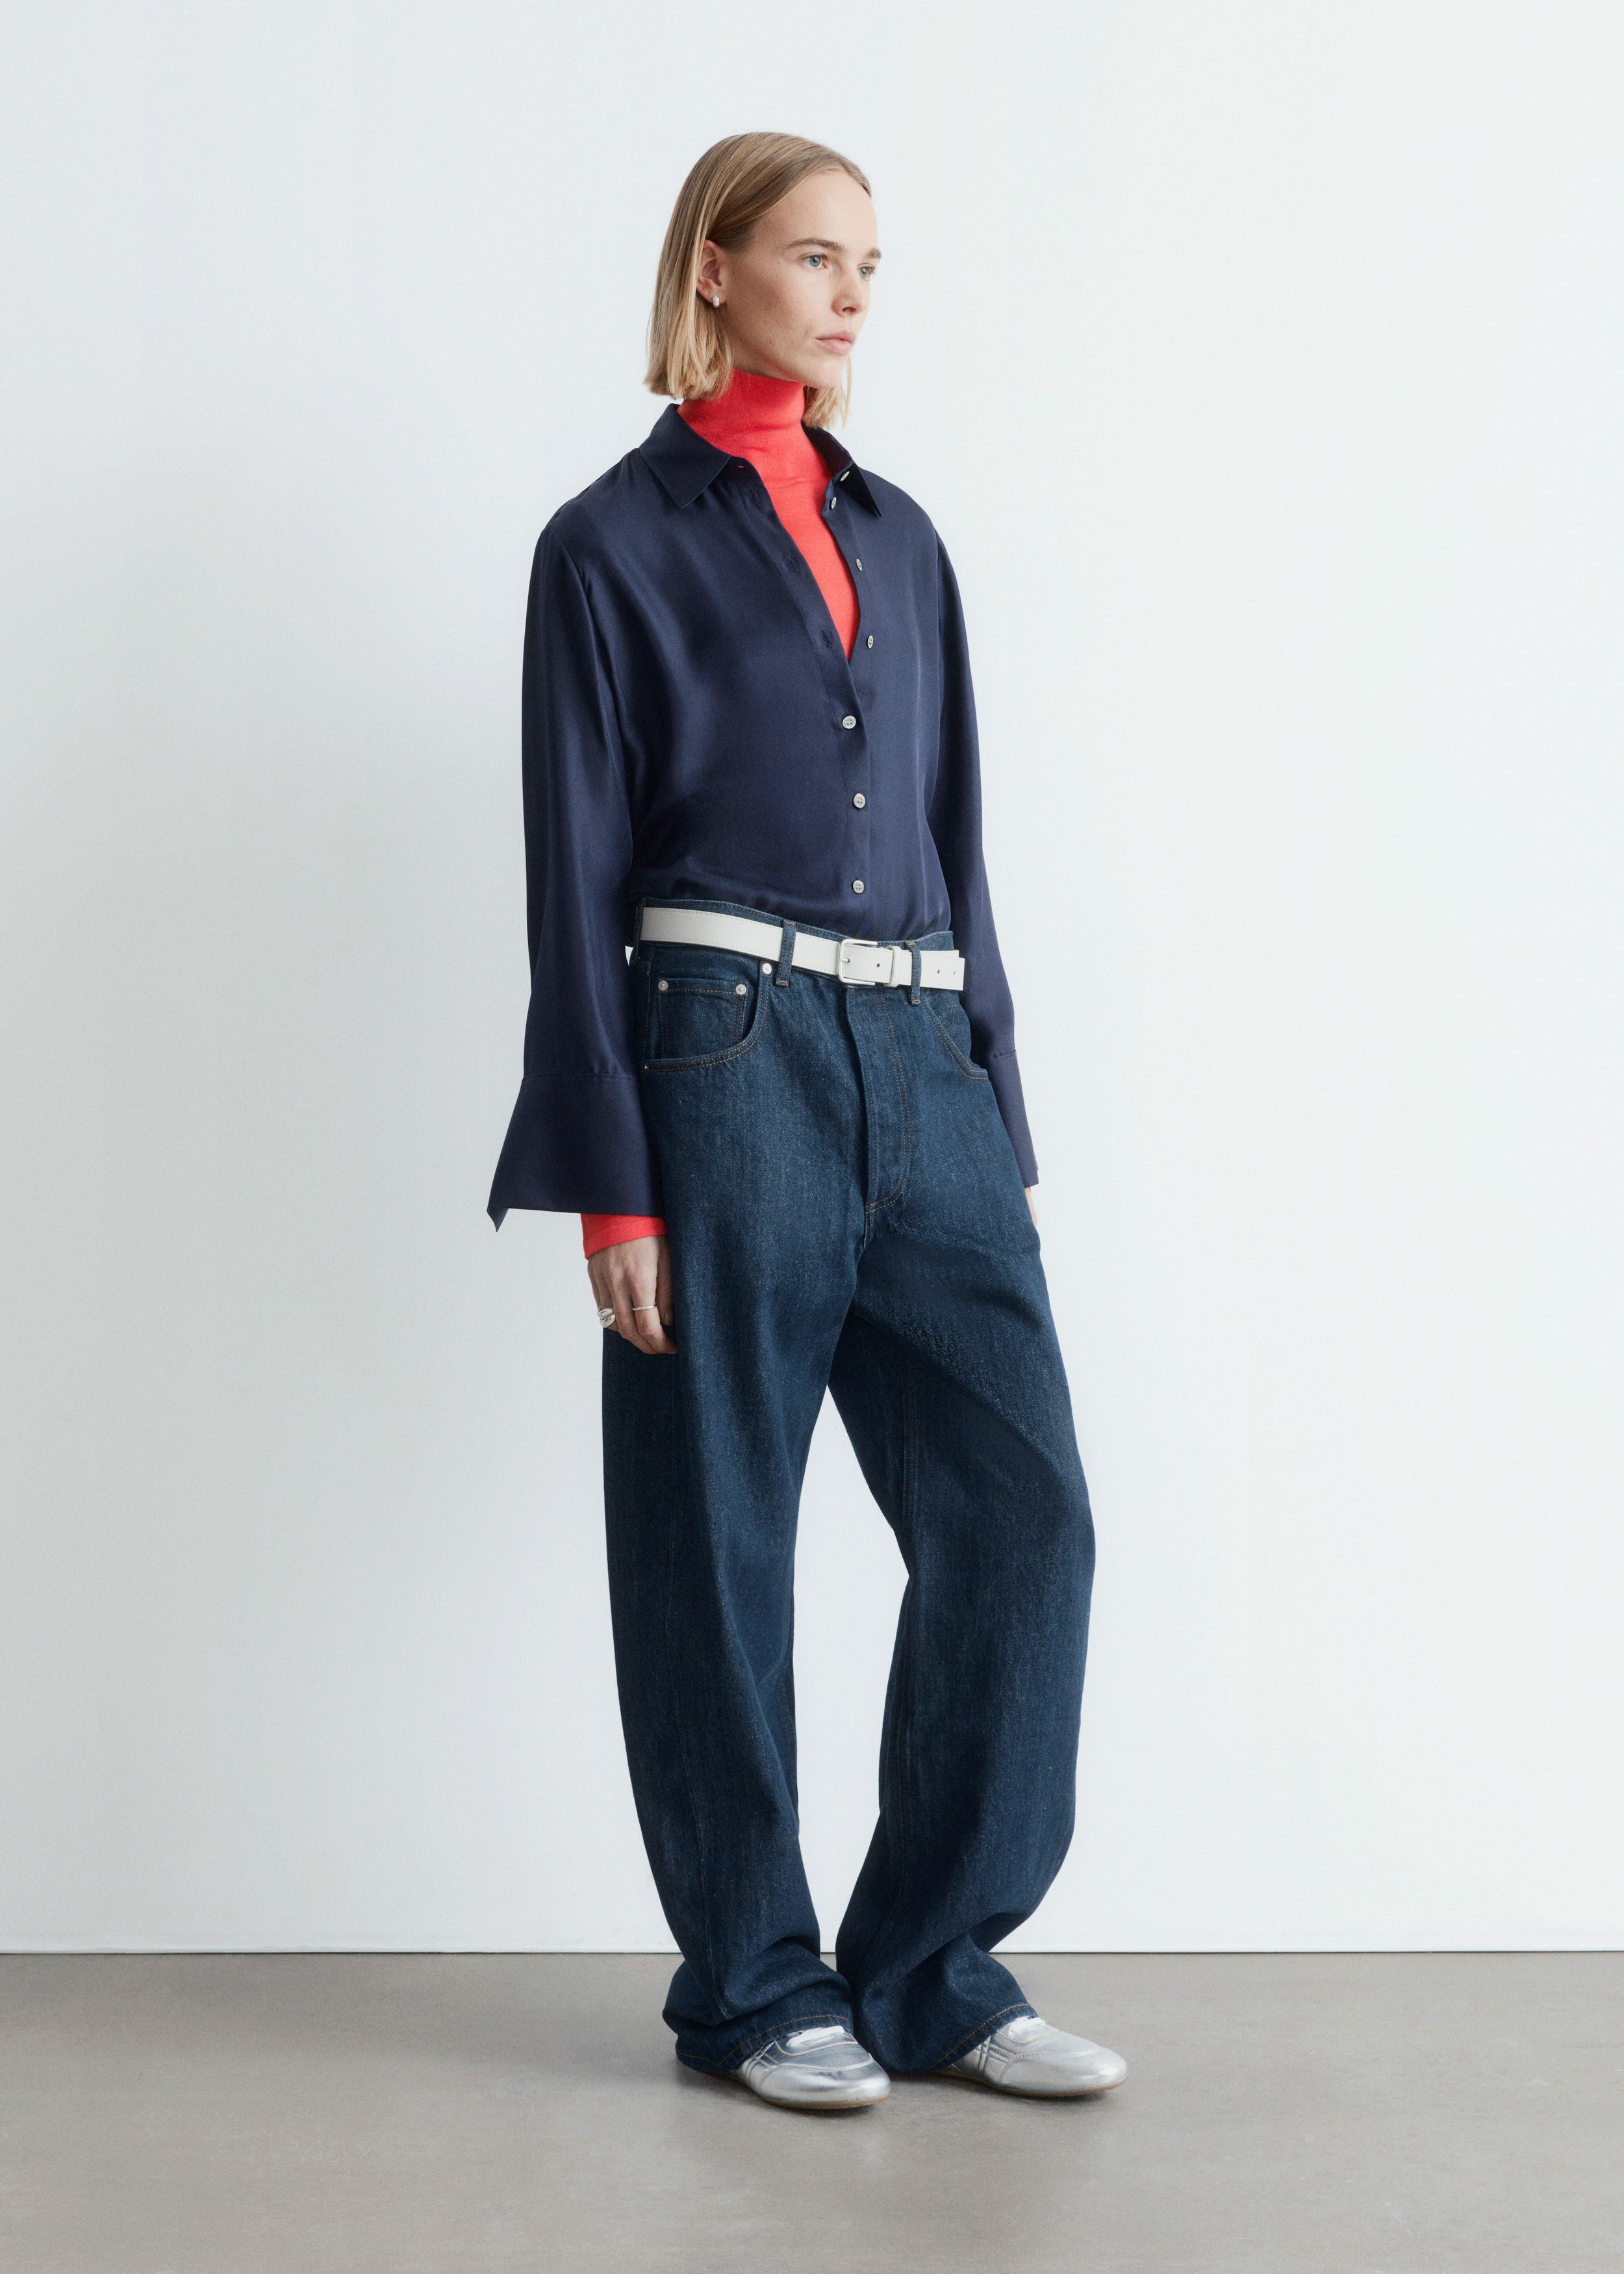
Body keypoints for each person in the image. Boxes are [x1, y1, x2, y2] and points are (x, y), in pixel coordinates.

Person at [488, 131, 1125, 2113]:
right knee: (715, 1534)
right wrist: (608, 1182)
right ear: (715, 267)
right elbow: (571, 876)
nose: (851, 295)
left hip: (921, 1053)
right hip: (718, 1050)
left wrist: (991, 1107)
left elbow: (960, 838)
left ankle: (930, 1965)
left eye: (870, 264)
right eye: (813, 256)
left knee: (1023, 1510)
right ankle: (756, 1983)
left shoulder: (901, 535)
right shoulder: (607, 542)